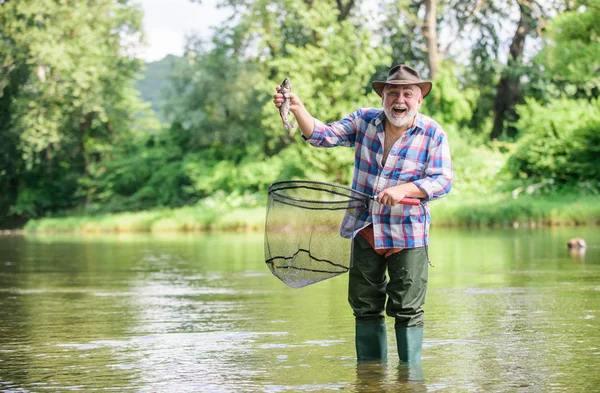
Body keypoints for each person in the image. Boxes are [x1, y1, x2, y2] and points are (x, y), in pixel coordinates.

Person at [272, 64, 453, 363]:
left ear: (419, 100)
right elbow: (323, 136)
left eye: (408, 93)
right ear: (382, 96)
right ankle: (370, 376)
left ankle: (410, 379)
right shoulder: (364, 120)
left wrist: (404, 190)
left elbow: (443, 180)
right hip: (364, 229)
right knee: (365, 308)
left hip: (408, 234)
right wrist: (298, 110)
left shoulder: (433, 133)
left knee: (408, 310)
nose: (400, 100)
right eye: (392, 92)